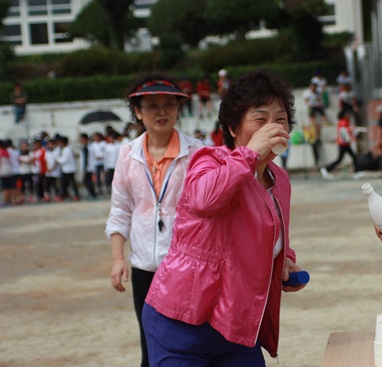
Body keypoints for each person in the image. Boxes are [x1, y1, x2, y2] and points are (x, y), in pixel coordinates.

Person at [142, 70, 306, 366]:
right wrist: (249, 154)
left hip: (236, 324)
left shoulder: (279, 179)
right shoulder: (209, 160)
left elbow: (273, 233)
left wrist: (285, 260)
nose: (272, 127)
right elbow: (205, 200)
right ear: (232, 127)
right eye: (260, 118)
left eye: (280, 119)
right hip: (182, 320)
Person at [105, 74, 203, 367]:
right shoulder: (127, 155)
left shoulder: (198, 152)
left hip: (188, 268)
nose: (162, 112)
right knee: (150, 345)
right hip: (144, 268)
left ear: (177, 110)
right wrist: (117, 258)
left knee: (188, 343)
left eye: (169, 105)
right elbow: (120, 209)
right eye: (152, 106)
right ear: (137, 112)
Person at [320, 110, 365, 180]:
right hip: (343, 144)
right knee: (343, 159)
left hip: (344, 143)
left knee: (351, 157)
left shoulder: (344, 121)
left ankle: (357, 172)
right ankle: (326, 169)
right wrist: (351, 132)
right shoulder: (343, 122)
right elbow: (344, 132)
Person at [303, 82, 328, 167]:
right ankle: (317, 161)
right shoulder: (309, 124)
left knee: (316, 147)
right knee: (314, 148)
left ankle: (318, 161)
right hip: (312, 138)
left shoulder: (315, 124)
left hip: (315, 138)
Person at [56, 136, 80, 201]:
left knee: (67, 183)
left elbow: (64, 160)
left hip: (68, 169)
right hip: (67, 169)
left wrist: (57, 160)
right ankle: (66, 194)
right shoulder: (66, 149)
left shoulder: (67, 150)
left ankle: (68, 195)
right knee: (66, 183)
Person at [79, 133, 98, 200]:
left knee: (87, 181)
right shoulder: (85, 147)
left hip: (88, 168)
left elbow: (86, 159)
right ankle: (92, 194)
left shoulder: (87, 148)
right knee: (87, 181)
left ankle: (93, 194)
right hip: (87, 167)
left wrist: (84, 168)